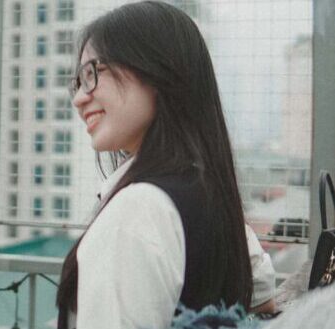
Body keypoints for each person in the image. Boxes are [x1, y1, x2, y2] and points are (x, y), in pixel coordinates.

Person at [56, 2, 274, 328]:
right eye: (77, 81)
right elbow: (263, 296)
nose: (78, 98)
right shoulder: (209, 189)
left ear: (156, 71)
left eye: (92, 74)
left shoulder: (138, 210)